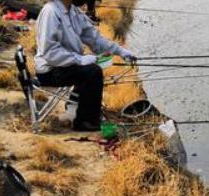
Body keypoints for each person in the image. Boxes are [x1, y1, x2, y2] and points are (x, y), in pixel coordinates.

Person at [34, 0, 135, 131]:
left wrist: (120, 51)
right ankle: (85, 122)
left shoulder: (73, 11)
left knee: (91, 69)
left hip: (65, 66)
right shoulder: (51, 12)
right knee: (92, 72)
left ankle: (76, 105)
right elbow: (50, 52)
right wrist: (80, 60)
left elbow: (95, 39)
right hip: (50, 70)